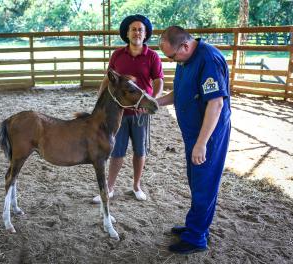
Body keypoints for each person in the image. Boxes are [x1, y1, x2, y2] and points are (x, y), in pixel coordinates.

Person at [156, 26, 231, 254]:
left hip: (208, 135)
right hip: (193, 134)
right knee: (196, 181)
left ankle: (197, 237)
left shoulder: (209, 59)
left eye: (171, 56)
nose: (171, 61)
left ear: (185, 46)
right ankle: (196, 226)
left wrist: (201, 143)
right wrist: (154, 103)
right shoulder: (184, 61)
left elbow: (216, 103)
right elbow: (179, 93)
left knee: (204, 184)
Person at [92, 14, 164, 203]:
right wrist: (99, 100)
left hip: (141, 112)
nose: (137, 32)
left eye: (140, 29)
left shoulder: (152, 56)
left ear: (145, 33)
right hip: (119, 112)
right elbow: (108, 79)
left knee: (140, 151)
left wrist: (151, 101)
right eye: (133, 29)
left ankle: (136, 186)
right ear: (127, 33)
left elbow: (158, 81)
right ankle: (109, 187)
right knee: (117, 151)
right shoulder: (117, 55)